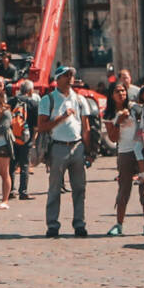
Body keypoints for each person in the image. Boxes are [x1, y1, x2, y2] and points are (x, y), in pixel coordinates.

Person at [38, 67, 94, 239]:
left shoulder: (80, 99)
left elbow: (86, 127)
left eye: (71, 75)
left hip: (77, 146)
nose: (70, 78)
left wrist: (89, 150)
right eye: (66, 75)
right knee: (54, 188)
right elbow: (42, 126)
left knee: (79, 188)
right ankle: (52, 225)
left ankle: (79, 224)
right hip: (58, 147)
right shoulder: (48, 100)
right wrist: (61, 117)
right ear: (57, 79)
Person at [107, 75, 144, 238]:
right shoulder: (110, 113)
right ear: (111, 95)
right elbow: (113, 138)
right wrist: (117, 122)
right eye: (117, 91)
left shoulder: (135, 108)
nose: (121, 94)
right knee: (124, 188)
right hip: (125, 152)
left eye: (123, 91)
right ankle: (119, 224)